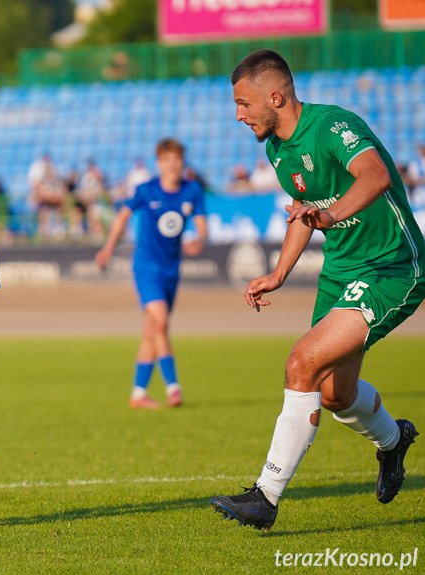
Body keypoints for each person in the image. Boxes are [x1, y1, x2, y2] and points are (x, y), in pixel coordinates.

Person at [210, 50, 424, 531]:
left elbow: (376, 176)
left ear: (276, 97)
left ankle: (265, 497)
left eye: (244, 104)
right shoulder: (277, 151)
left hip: (391, 267)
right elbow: (304, 212)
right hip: (341, 272)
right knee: (334, 394)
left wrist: (331, 215)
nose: (238, 115)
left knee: (300, 364)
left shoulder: (333, 127)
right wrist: (279, 273)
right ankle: (394, 442)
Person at [95, 138, 208, 409]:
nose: (172, 165)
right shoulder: (146, 189)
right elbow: (122, 215)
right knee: (159, 322)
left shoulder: (192, 190)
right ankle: (173, 388)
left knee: (151, 331)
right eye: (167, 160)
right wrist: (108, 247)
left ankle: (138, 394)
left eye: (177, 160)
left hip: (172, 268)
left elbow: (202, 225)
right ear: (159, 164)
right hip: (146, 265)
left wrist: (200, 238)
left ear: (183, 162)